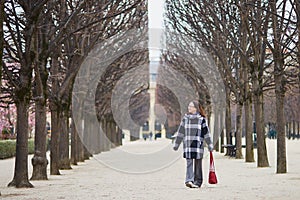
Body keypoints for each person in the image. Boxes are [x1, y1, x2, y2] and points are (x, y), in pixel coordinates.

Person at [173, 100, 213, 188]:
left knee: (198, 164)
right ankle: (189, 180)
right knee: (189, 162)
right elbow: (181, 132)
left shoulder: (202, 120)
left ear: (196, 108)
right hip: (188, 145)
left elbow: (206, 133)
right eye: (189, 106)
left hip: (198, 145)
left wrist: (210, 144)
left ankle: (198, 182)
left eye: (191, 106)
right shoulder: (185, 119)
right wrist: (176, 144)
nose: (189, 108)